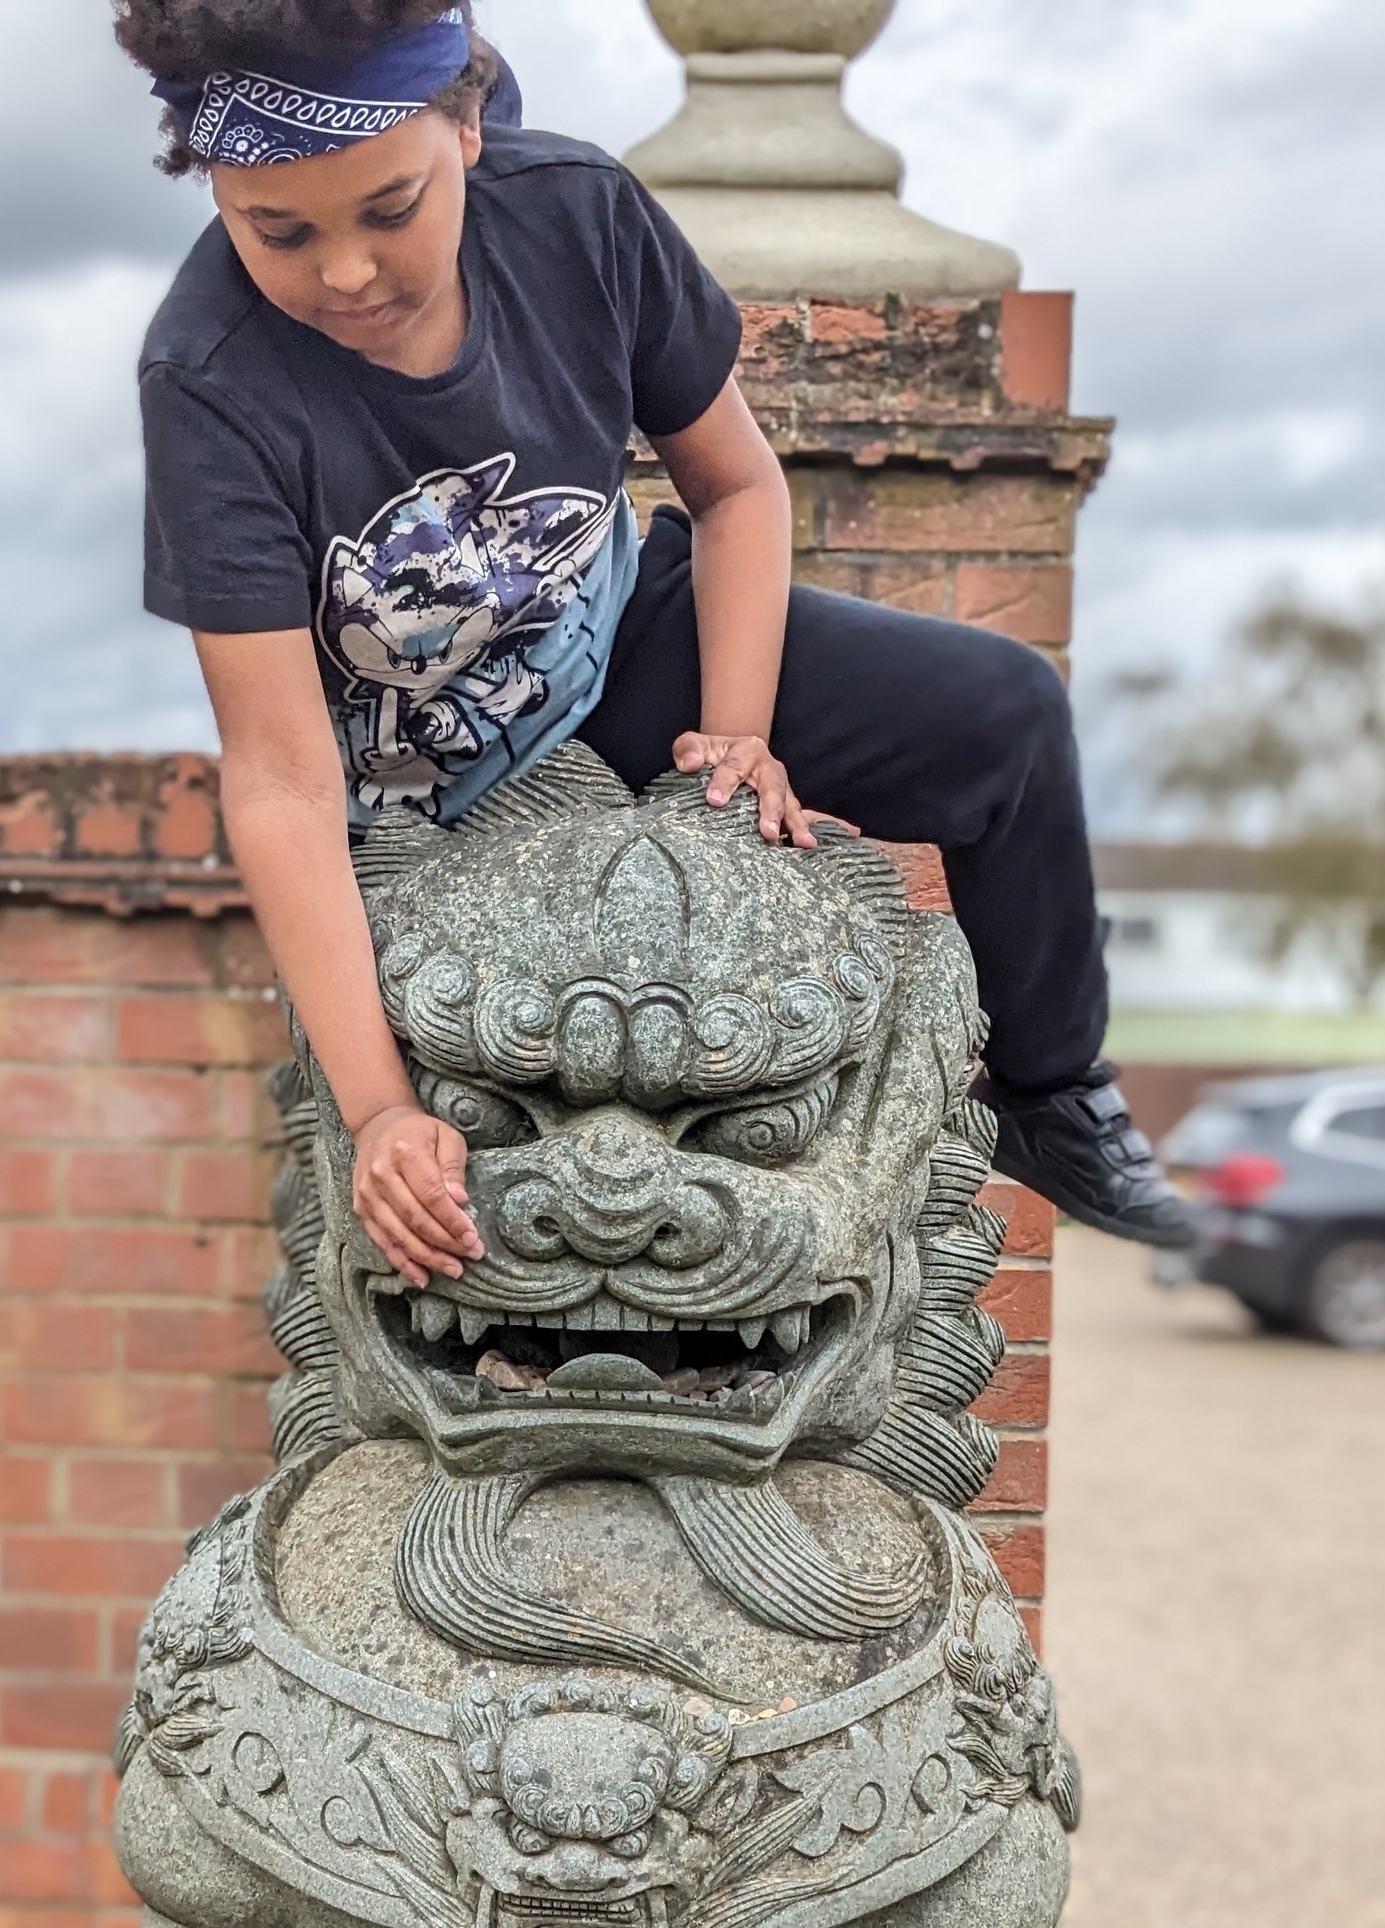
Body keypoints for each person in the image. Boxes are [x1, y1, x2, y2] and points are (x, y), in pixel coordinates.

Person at [117, 0, 1192, 1290]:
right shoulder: (208, 379)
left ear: (464, 131)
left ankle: (1052, 1093)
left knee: (1005, 711)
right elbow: (282, 778)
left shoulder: (578, 212)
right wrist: (380, 1113)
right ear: (215, 187)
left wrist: (734, 735)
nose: (345, 273)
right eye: (277, 232)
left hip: (621, 632)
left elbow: (737, 488)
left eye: (390, 210)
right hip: (428, 775)